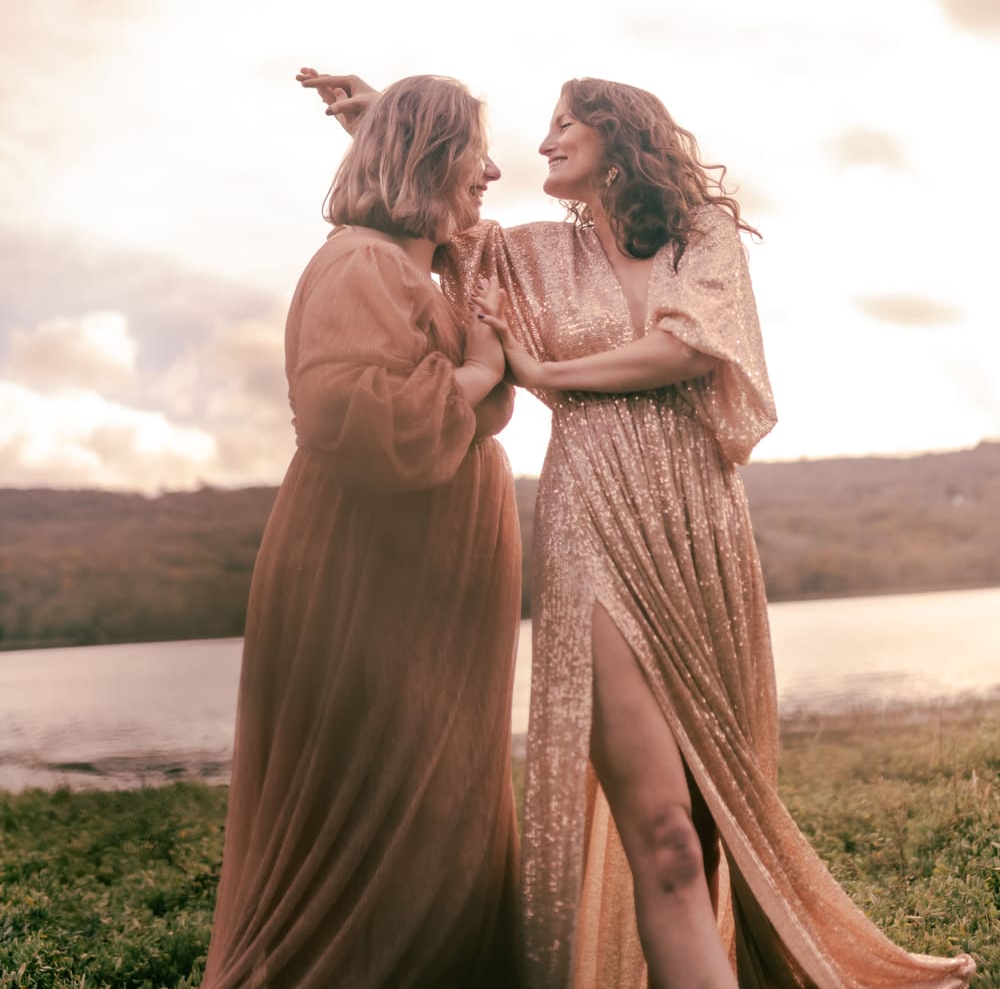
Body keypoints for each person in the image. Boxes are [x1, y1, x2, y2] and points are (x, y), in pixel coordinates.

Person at [300, 69, 977, 989]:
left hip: (699, 530)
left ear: (618, 136)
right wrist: (377, 119)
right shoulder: (530, 253)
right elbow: (434, 205)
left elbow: (688, 348)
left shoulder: (702, 236)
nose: (542, 143)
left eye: (563, 124)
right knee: (663, 830)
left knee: (708, 822)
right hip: (591, 524)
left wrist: (548, 375)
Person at [202, 75, 522, 989]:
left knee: (436, 810)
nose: (494, 171)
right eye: (475, 153)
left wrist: (382, 119)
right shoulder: (362, 265)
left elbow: (479, 243)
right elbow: (350, 417)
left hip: (424, 587)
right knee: (379, 813)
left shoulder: (419, 265)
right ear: (432, 159)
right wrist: (479, 373)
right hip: (373, 580)